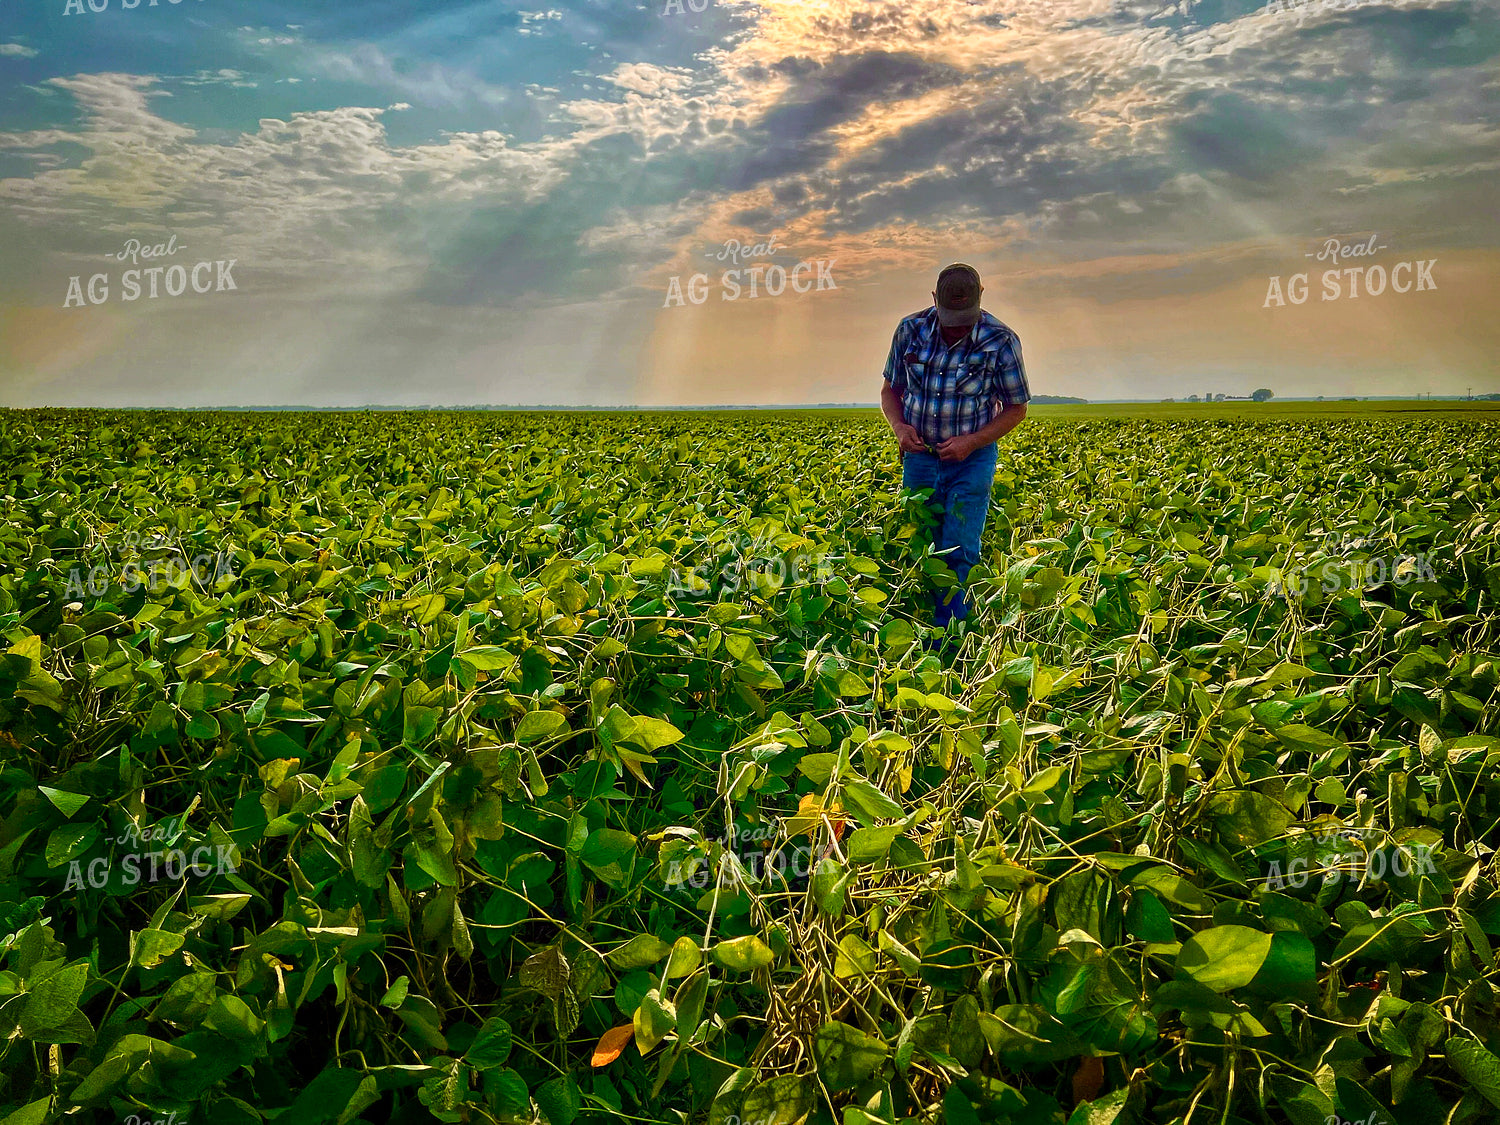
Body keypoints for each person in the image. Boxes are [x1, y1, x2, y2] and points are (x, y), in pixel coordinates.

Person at [880, 263, 1030, 632]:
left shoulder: (1000, 340)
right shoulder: (910, 330)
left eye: (965, 317)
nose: (957, 325)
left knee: (959, 547)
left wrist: (971, 442)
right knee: (922, 544)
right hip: (919, 458)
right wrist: (899, 428)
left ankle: (949, 634)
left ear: (981, 298)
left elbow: (1017, 408)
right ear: (934, 300)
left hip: (972, 461)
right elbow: (890, 391)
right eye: (950, 317)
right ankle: (918, 622)